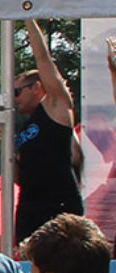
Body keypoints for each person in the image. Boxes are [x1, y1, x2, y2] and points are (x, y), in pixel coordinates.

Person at [14, 20, 87, 250]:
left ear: (36, 87)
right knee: (30, 266)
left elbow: (43, 58)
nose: (14, 99)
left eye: (17, 91)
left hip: (59, 204)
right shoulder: (22, 127)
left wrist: (27, 16)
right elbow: (18, 177)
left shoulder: (56, 106)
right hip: (29, 206)